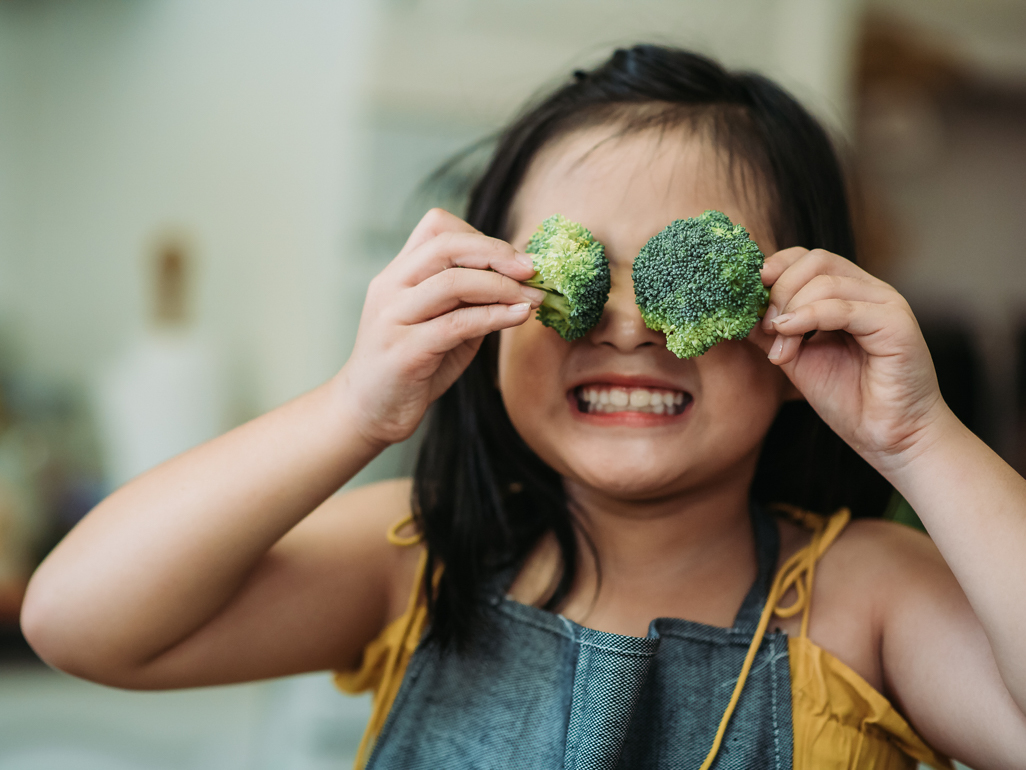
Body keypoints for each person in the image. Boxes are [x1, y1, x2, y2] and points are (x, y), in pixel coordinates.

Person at [20, 45, 1026, 769]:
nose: (627, 326)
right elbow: (77, 620)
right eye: (570, 275)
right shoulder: (418, 554)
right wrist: (352, 409)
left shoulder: (871, 594)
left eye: (689, 280)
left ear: (799, 319)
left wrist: (918, 437)